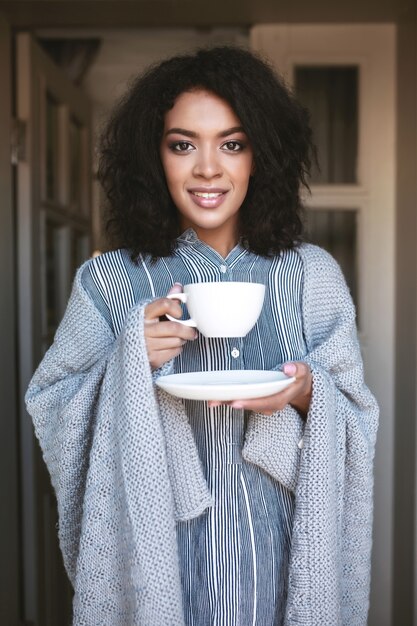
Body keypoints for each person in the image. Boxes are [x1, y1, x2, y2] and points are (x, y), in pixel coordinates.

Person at [26, 46, 378, 626]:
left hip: (282, 564)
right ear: (153, 157)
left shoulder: (312, 275)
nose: (208, 168)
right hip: (156, 565)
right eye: (183, 144)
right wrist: (127, 361)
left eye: (232, 144)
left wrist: (307, 392)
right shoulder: (110, 279)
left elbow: (356, 414)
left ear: (260, 156)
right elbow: (52, 399)